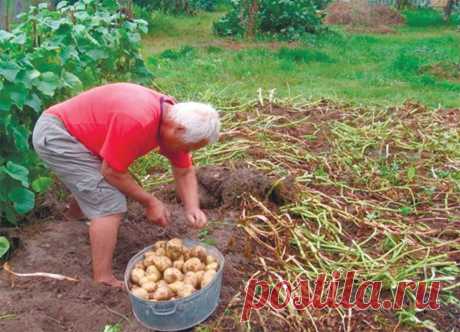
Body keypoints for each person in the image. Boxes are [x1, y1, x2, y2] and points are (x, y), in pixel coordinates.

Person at [32, 82, 220, 288]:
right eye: (190, 146)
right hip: (58, 135)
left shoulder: (172, 117)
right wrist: (150, 202)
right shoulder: (137, 121)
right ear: (178, 130)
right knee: (109, 203)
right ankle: (102, 278)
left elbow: (184, 170)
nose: (188, 151)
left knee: (97, 184)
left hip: (80, 134)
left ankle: (72, 221)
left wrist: (192, 207)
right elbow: (111, 172)